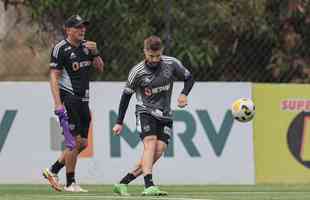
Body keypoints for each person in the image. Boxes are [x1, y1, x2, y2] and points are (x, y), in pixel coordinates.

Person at [112, 35, 194, 196]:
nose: (154, 60)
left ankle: (123, 183)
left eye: (157, 56)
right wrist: (119, 121)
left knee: (159, 150)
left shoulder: (171, 63)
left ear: (161, 51)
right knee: (150, 143)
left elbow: (189, 78)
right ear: (145, 52)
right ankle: (149, 185)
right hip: (145, 111)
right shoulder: (137, 72)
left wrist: (184, 94)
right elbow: (126, 97)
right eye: (151, 56)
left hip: (165, 115)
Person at [42, 14, 104, 192]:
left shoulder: (87, 48)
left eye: (83, 27)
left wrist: (96, 52)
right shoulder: (60, 48)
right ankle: (70, 182)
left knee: (82, 143)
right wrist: (57, 103)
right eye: (77, 27)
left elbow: (100, 68)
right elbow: (53, 76)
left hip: (84, 99)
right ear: (67, 30)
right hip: (68, 98)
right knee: (74, 141)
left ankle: (52, 170)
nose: (82, 30)